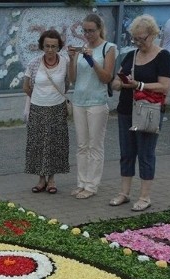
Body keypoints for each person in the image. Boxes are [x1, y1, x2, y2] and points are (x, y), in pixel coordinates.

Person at [110, 15, 170, 212]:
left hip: (149, 110)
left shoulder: (163, 56)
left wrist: (139, 85)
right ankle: (124, 193)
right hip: (126, 109)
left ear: (153, 34)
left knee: (145, 153)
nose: (138, 42)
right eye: (134, 39)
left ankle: (145, 196)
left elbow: (164, 86)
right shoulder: (131, 55)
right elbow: (116, 82)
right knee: (126, 153)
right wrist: (120, 83)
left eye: (141, 38)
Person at [67, 14, 116, 200]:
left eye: (91, 30)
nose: (88, 34)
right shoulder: (83, 48)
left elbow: (106, 78)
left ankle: (92, 185)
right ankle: (81, 183)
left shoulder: (109, 48)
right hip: (79, 101)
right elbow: (72, 79)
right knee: (81, 145)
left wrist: (92, 60)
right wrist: (72, 59)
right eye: (85, 30)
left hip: (97, 102)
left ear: (99, 29)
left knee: (95, 145)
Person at [23, 29, 70, 195]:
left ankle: (52, 180)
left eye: (54, 46)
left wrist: (54, 96)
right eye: (47, 46)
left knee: (55, 144)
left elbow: (67, 83)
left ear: (59, 47)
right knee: (37, 144)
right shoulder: (34, 63)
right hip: (37, 108)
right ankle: (40, 179)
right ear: (42, 46)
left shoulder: (65, 62)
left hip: (57, 108)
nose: (50, 49)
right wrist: (38, 97)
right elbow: (26, 86)